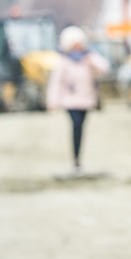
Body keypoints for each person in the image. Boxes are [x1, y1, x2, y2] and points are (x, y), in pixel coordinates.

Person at [46, 26, 110, 171]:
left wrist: (91, 61)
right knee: (76, 125)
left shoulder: (89, 57)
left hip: (86, 100)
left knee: (81, 128)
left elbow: (105, 68)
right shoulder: (63, 61)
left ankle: (77, 158)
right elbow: (55, 83)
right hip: (70, 101)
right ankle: (76, 158)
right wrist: (52, 102)